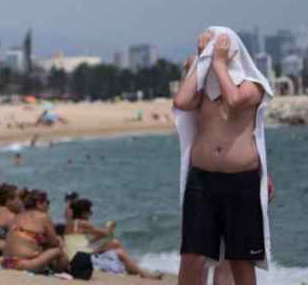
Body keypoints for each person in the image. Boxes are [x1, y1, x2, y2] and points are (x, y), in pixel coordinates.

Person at [173, 28, 274, 285]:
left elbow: (235, 99)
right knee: (192, 255)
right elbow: (182, 101)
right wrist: (202, 59)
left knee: (240, 259)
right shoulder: (203, 88)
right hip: (202, 181)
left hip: (241, 182)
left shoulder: (254, 85)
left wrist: (217, 62)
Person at [65, 198, 162, 279]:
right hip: (81, 259)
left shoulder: (71, 224)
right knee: (119, 251)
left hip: (77, 256)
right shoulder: (83, 224)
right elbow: (107, 233)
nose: (91, 213)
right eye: (90, 211)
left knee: (114, 243)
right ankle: (144, 274)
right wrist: (110, 226)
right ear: (83, 213)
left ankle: (134, 267)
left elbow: (87, 241)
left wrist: (105, 233)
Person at [2, 189, 68, 274]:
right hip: (24, 264)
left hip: (6, 263)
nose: (48, 206)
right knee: (58, 250)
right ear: (39, 203)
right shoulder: (43, 217)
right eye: (47, 202)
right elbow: (54, 243)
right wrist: (60, 240)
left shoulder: (18, 216)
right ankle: (57, 273)